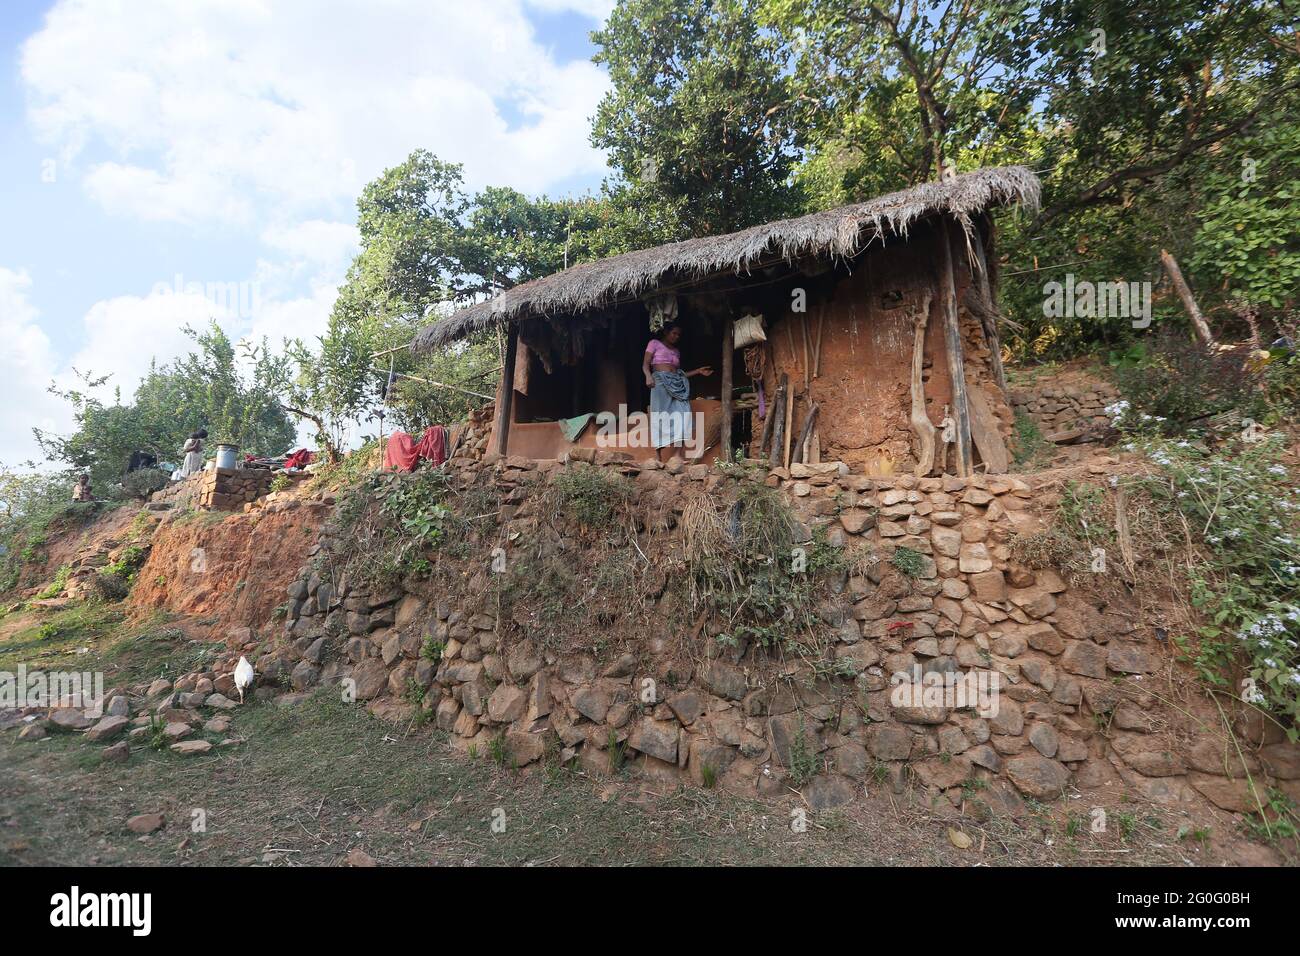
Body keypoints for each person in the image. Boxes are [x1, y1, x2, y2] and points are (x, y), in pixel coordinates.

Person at [642, 323, 712, 463]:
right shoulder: (654, 343)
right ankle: (658, 454)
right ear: (666, 332)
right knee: (659, 414)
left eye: (678, 334)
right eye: (674, 333)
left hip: (677, 383)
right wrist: (648, 376)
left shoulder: (676, 351)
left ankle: (678, 455)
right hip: (660, 381)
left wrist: (698, 371)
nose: (676, 336)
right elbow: (645, 364)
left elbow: (680, 374)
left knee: (684, 415)